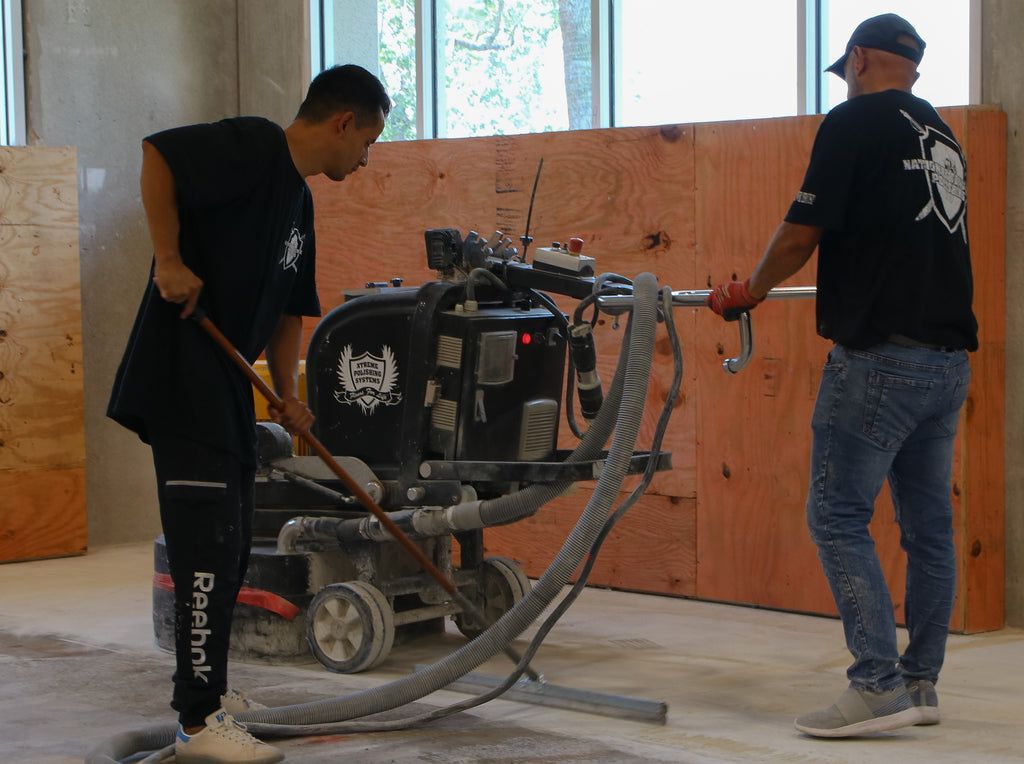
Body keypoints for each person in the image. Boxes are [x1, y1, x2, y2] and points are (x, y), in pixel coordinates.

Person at [108, 64, 390, 763]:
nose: (365, 159)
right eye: (368, 142)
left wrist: (289, 393)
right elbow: (157, 153)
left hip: (228, 389)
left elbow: (293, 309)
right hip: (182, 380)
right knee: (205, 553)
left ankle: (215, 691)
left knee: (231, 549)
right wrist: (167, 258)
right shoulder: (254, 147)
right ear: (342, 122)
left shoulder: (298, 202)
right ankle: (197, 725)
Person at [707, 14, 976, 738]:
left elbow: (801, 234)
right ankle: (920, 683)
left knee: (835, 516)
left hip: (880, 361)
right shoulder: (942, 135)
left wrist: (749, 291)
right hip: (946, 364)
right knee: (929, 530)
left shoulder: (853, 121)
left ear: (857, 59)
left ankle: (876, 683)